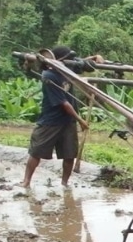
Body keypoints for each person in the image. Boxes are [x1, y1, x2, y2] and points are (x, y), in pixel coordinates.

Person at [22, 46, 93, 188]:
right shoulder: (49, 76)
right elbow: (64, 103)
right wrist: (80, 120)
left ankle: (65, 184)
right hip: (51, 121)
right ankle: (26, 182)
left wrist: (95, 58)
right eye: (68, 59)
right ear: (59, 60)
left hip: (68, 121)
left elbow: (86, 65)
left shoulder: (69, 70)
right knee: (36, 152)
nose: (71, 62)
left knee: (69, 154)